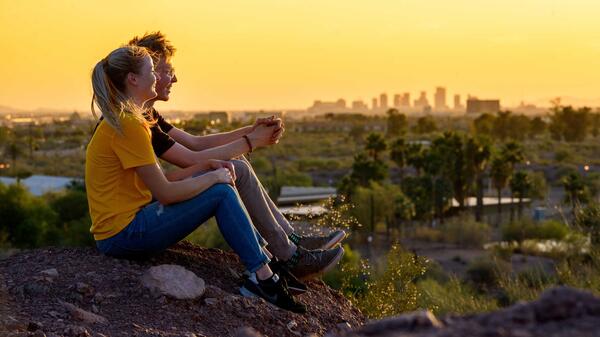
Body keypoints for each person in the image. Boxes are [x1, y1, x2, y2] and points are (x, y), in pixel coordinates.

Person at [86, 45, 305, 313]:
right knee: (221, 192)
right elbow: (165, 193)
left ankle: (268, 264)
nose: (157, 77)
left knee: (219, 180)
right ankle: (263, 277)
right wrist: (214, 177)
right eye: (153, 71)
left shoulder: (129, 121)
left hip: (127, 225)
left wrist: (207, 167)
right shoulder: (128, 125)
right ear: (133, 79)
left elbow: (158, 182)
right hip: (123, 235)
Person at [127, 32, 346, 280]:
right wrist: (252, 142)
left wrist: (250, 131)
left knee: (236, 163)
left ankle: (290, 241)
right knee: (236, 168)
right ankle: (288, 254)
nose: (174, 78)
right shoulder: (132, 121)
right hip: (141, 213)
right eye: (167, 71)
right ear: (148, 73)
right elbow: (191, 158)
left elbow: (196, 143)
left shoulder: (147, 114)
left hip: (149, 199)